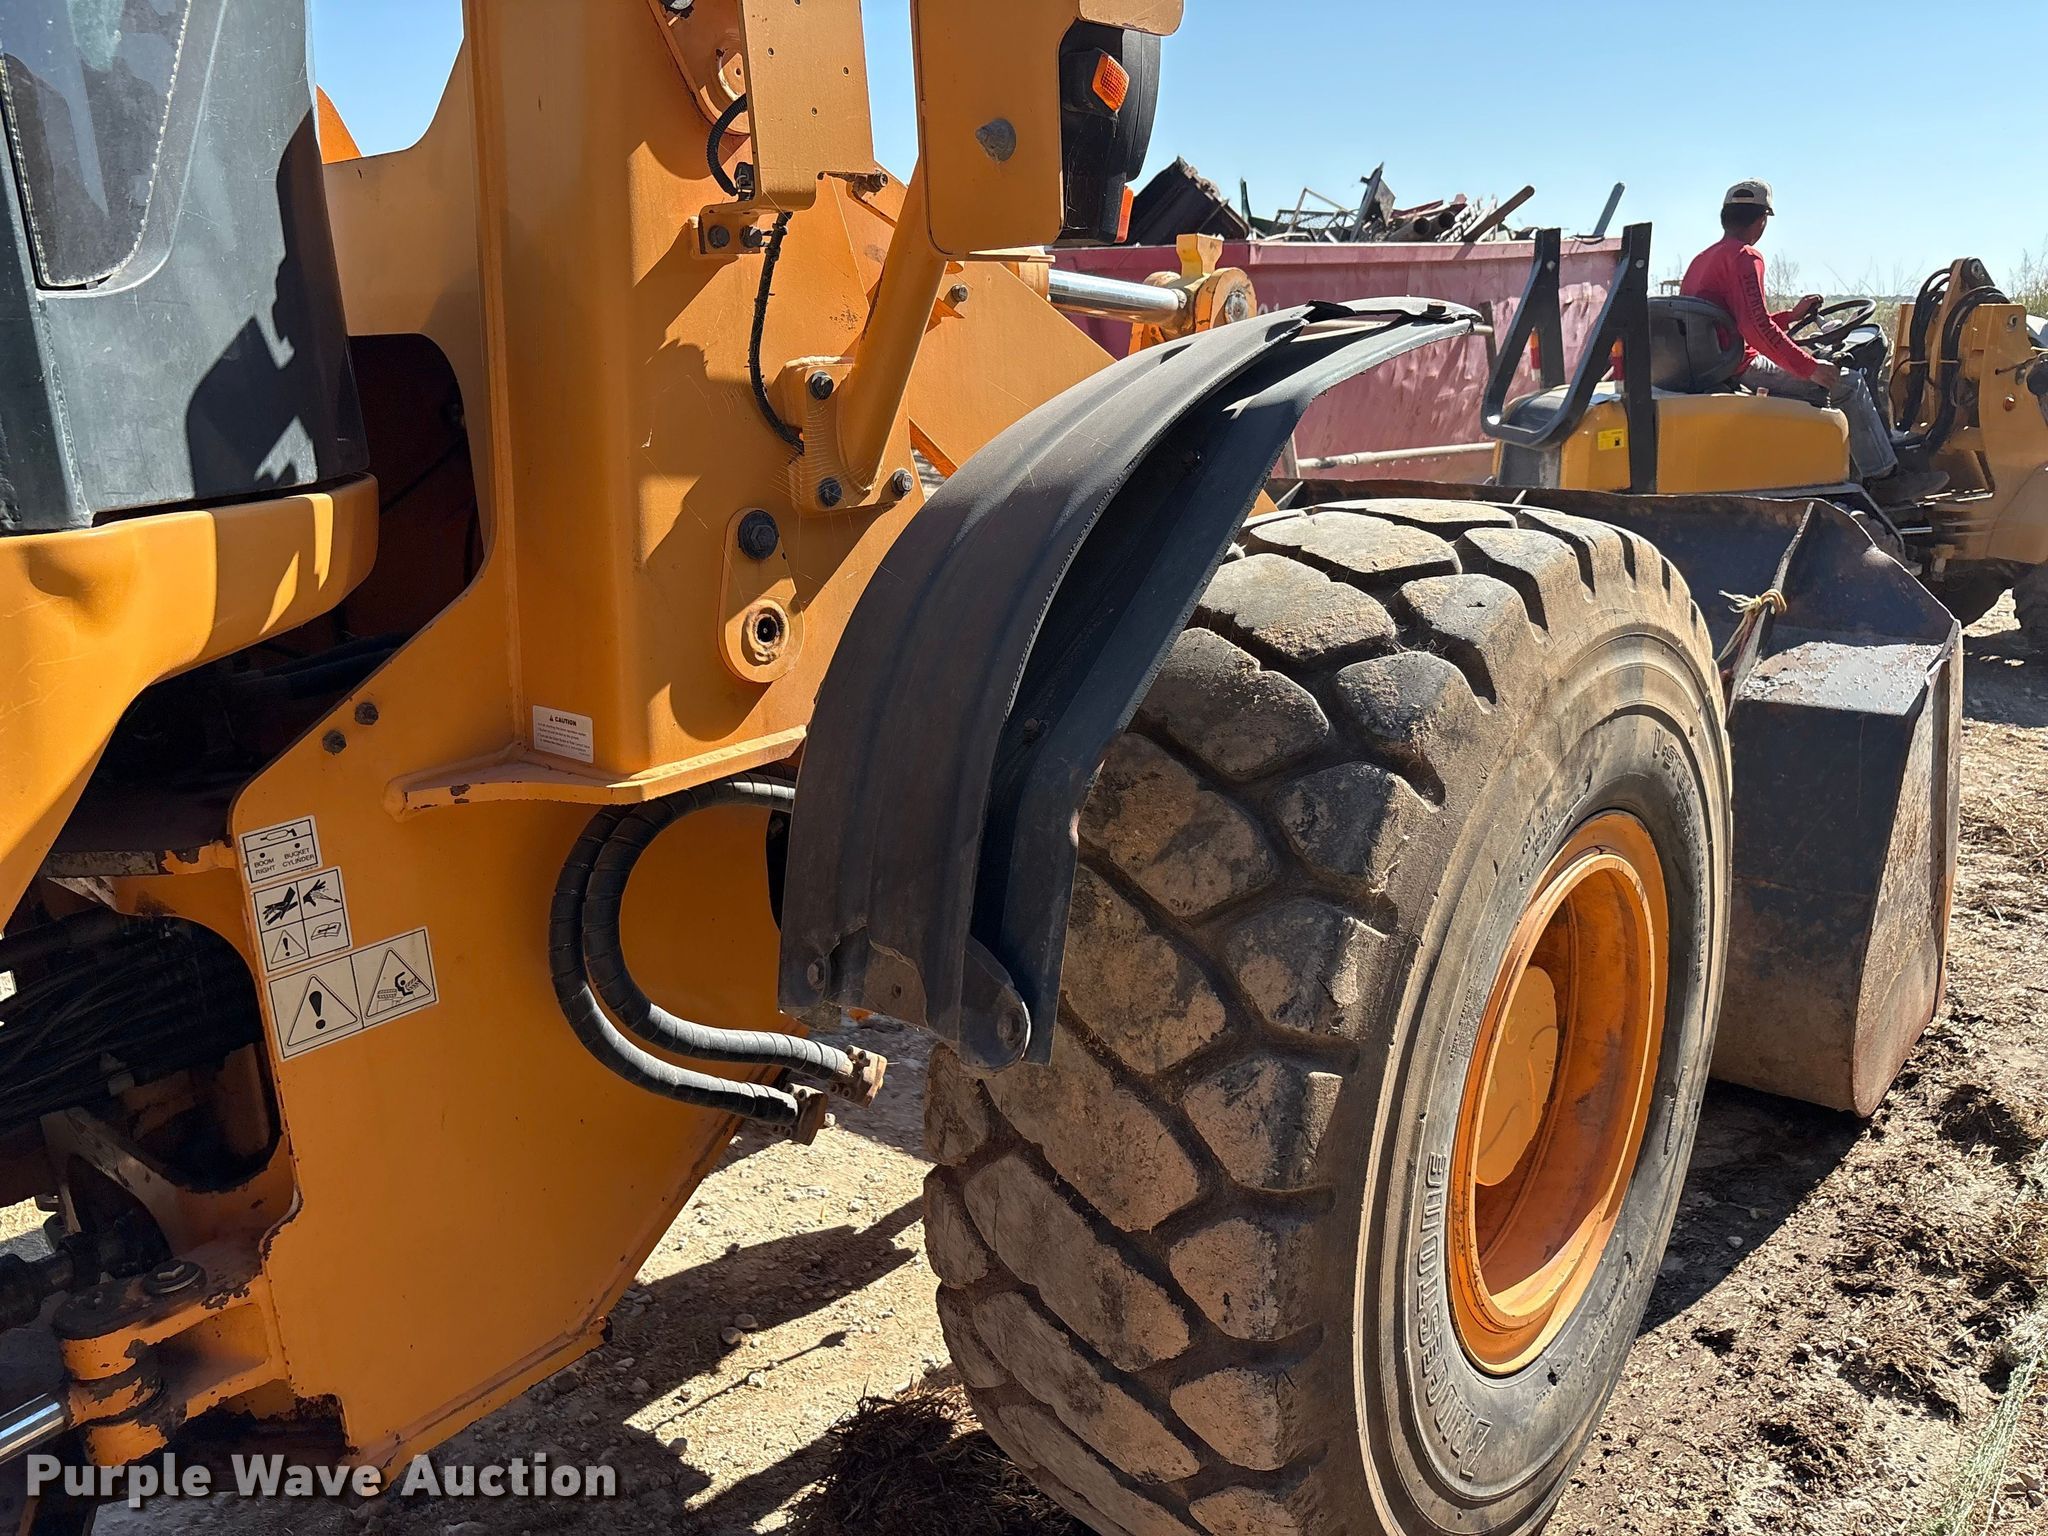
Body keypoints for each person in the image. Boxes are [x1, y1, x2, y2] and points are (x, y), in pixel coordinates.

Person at [1681, 180, 1943, 505]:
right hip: (1741, 365)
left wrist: (1791, 317)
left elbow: (1735, 321)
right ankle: (1885, 478)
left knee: (1828, 377)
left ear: (1725, 216)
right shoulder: (1745, 256)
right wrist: (1809, 367)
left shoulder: (1702, 260)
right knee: (1848, 383)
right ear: (1762, 220)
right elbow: (1755, 327)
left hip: (1715, 362)